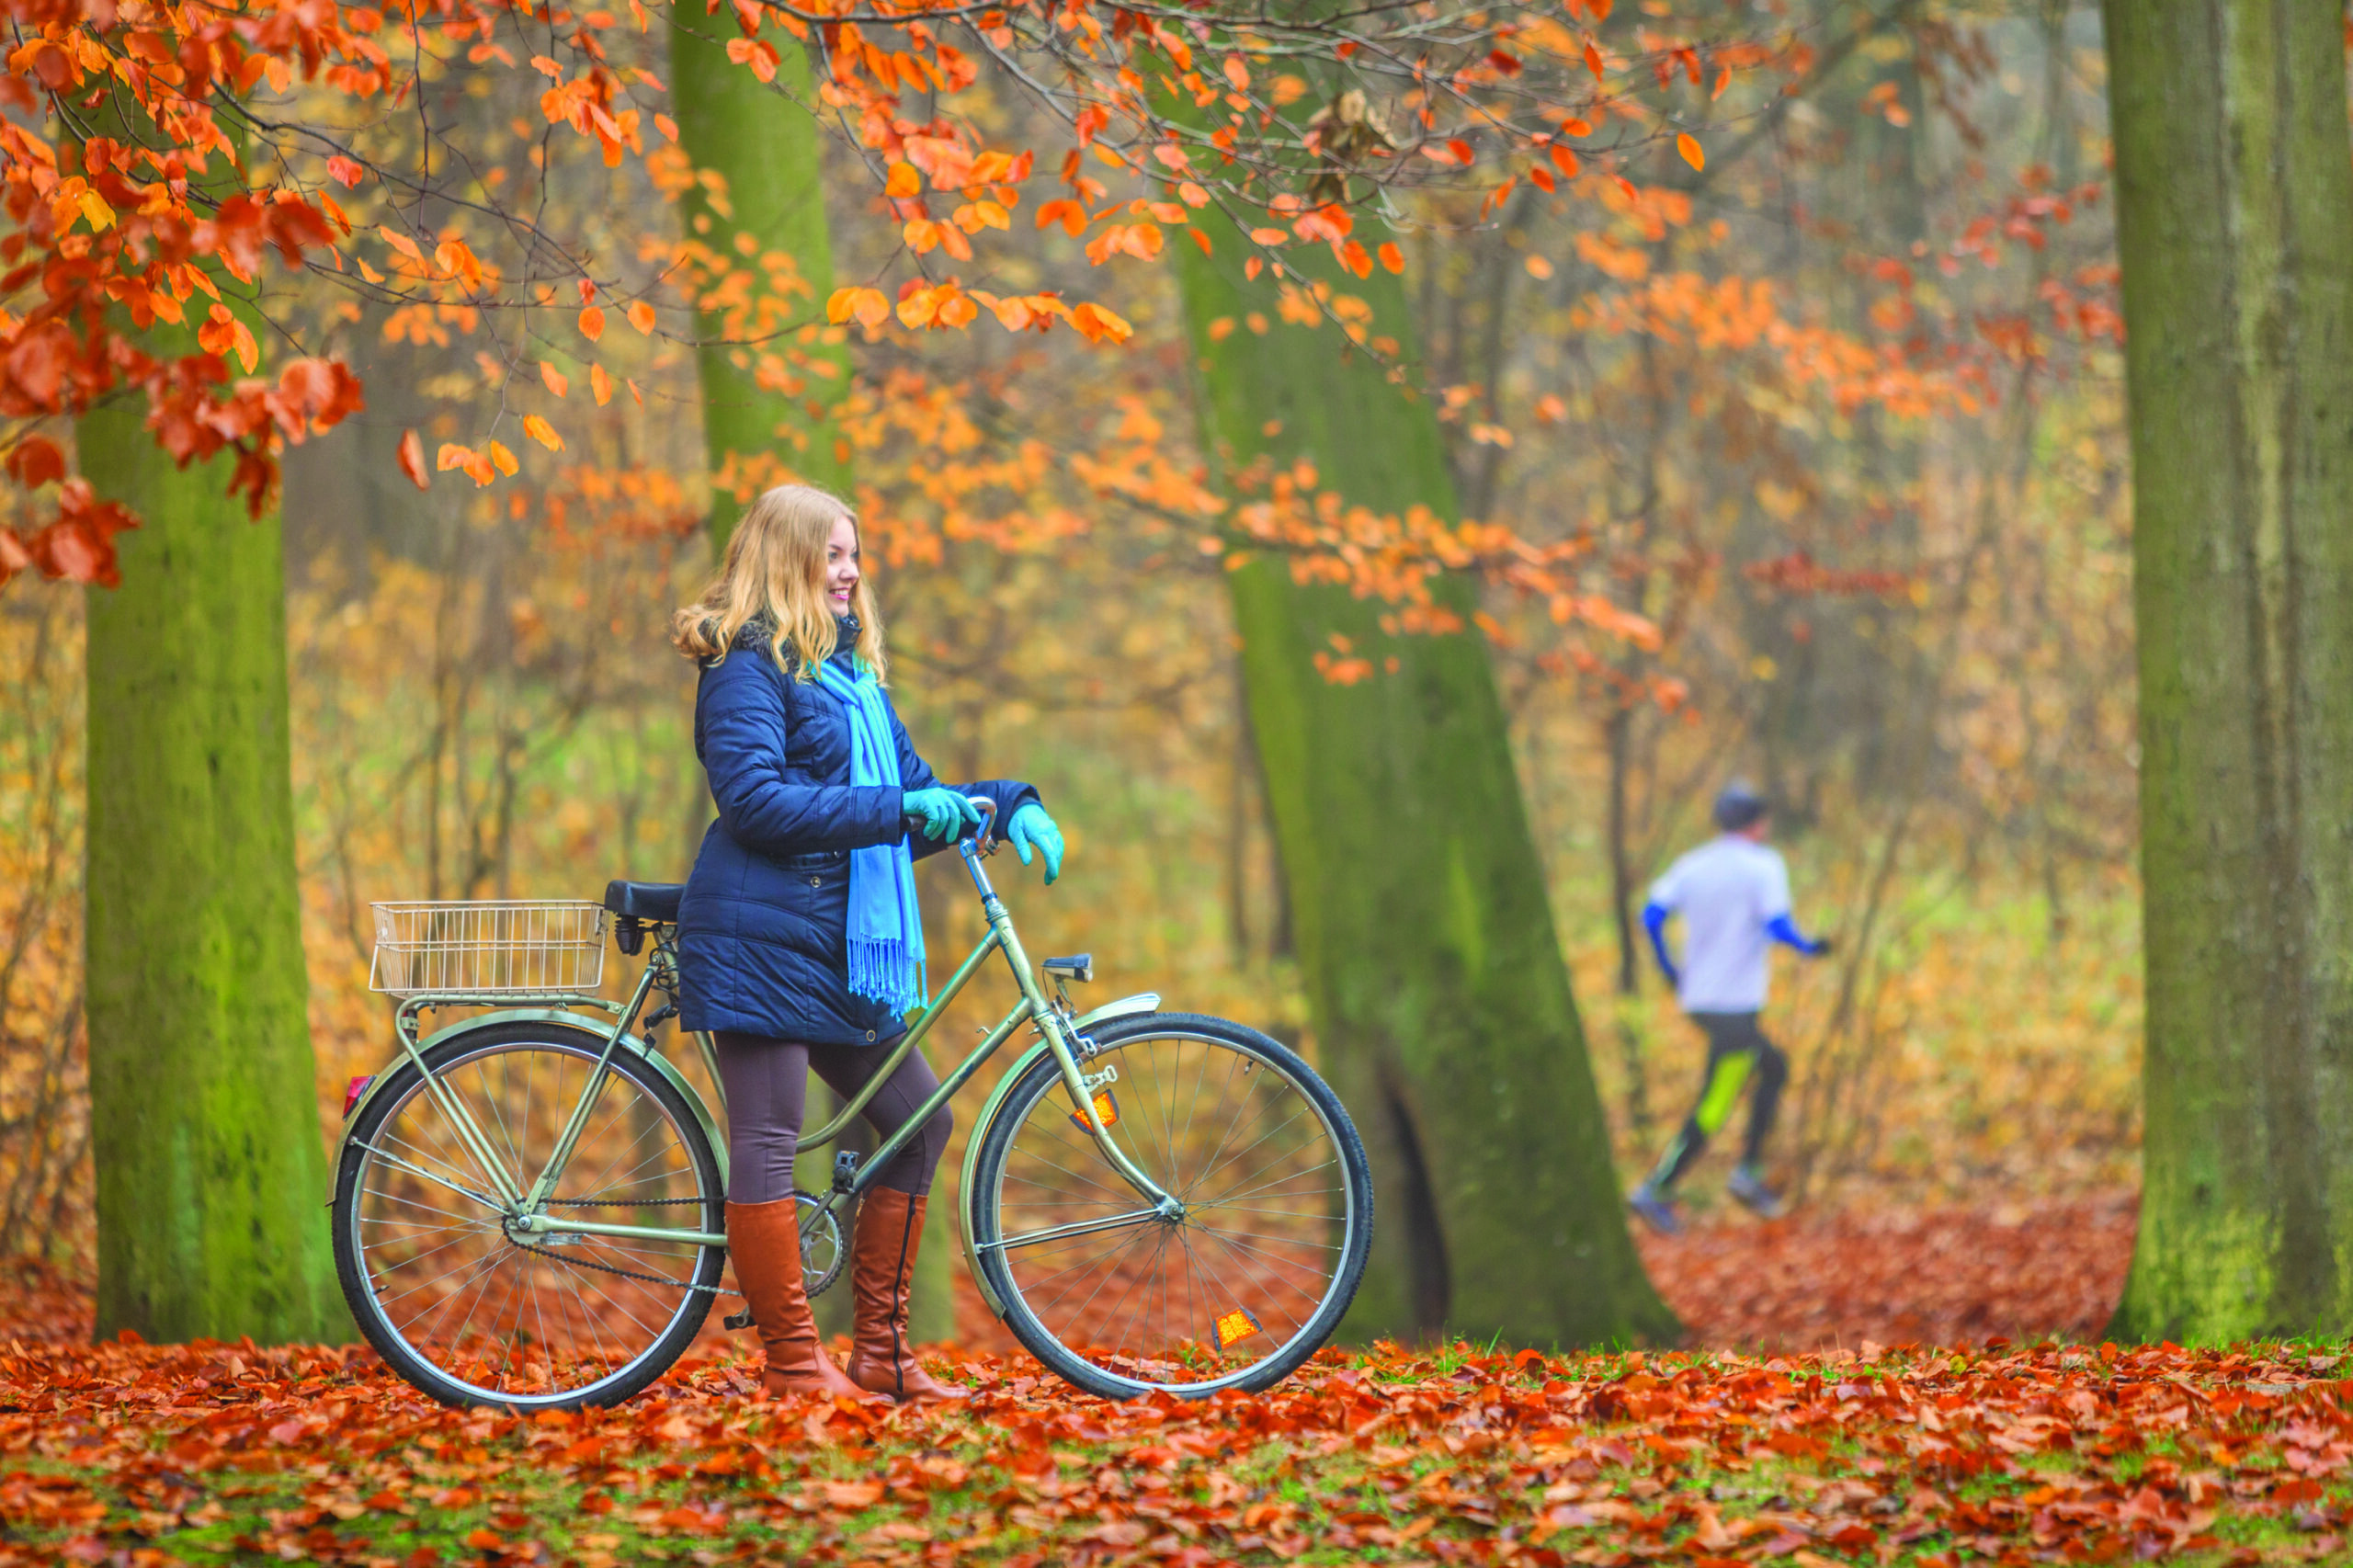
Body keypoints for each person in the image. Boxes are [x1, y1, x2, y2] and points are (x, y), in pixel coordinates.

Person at [670, 483, 1065, 1403]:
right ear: (787, 556)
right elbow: (756, 802)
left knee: (919, 1119)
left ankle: (882, 1355)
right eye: (832, 553)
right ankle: (794, 1367)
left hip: (837, 945)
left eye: (854, 553)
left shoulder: (850, 679)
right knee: (769, 1138)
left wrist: (1006, 801)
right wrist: (897, 807)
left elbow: (919, 803)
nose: (850, 571)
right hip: (758, 933)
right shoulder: (744, 665)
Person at [1626, 780, 1829, 1236]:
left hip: (1700, 1001)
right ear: (1758, 824)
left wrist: (1669, 969)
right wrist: (1810, 948)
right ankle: (1706, 1179)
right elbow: (1777, 924)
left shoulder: (1693, 864)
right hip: (1735, 1005)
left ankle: (1698, 1181)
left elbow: (1652, 917)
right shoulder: (1763, 865)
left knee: (1745, 1083)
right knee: (1748, 1083)